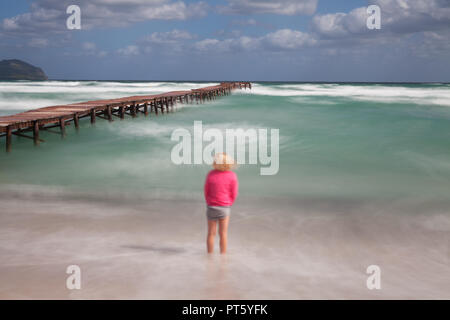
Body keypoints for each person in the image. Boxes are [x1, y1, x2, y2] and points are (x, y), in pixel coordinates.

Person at [204, 153, 239, 254]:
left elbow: (206, 191)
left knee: (211, 233)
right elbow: (234, 193)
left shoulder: (210, 174)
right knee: (223, 234)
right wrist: (229, 203)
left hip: (211, 206)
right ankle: (223, 257)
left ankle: (209, 256)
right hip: (224, 207)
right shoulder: (232, 176)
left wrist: (209, 202)